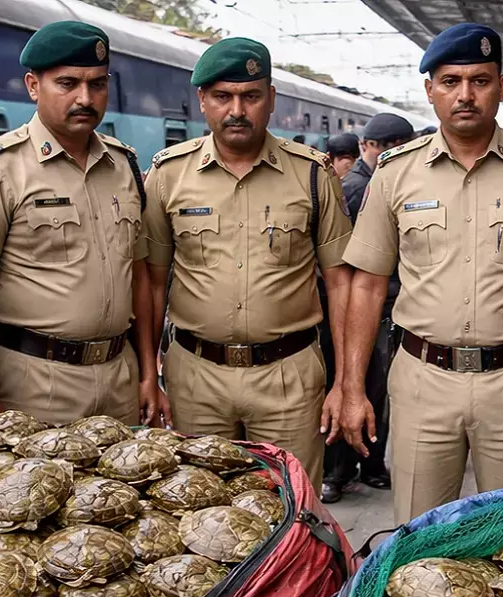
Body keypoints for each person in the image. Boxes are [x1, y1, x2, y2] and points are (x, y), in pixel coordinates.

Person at [332, 23, 503, 522]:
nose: (465, 95)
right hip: (423, 380)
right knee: (419, 541)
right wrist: (351, 387)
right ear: (430, 90)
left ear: (501, 86)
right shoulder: (396, 173)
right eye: (450, 81)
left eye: (479, 80)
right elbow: (366, 284)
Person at [141, 37, 354, 490]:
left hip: (289, 376)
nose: (237, 110)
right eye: (222, 96)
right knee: (196, 512)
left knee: (292, 513)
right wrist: (148, 374)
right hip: (195, 377)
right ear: (202, 101)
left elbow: (341, 283)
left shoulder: (314, 175)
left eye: (251, 96)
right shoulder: (167, 174)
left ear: (271, 99)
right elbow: (152, 282)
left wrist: (345, 383)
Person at [0, 21, 158, 427]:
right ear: (33, 86)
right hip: (35, 384)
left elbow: (137, 275)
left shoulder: (124, 165)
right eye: (68, 83)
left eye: (98, 84)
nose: (85, 98)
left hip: (120, 376)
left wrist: (149, 374)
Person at [323, 111, 414, 501]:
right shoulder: (360, 188)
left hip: (381, 304)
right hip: (365, 306)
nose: (388, 153)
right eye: (382, 146)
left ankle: (365, 465)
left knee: (372, 389)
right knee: (357, 386)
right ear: (369, 147)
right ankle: (344, 469)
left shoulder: (376, 182)